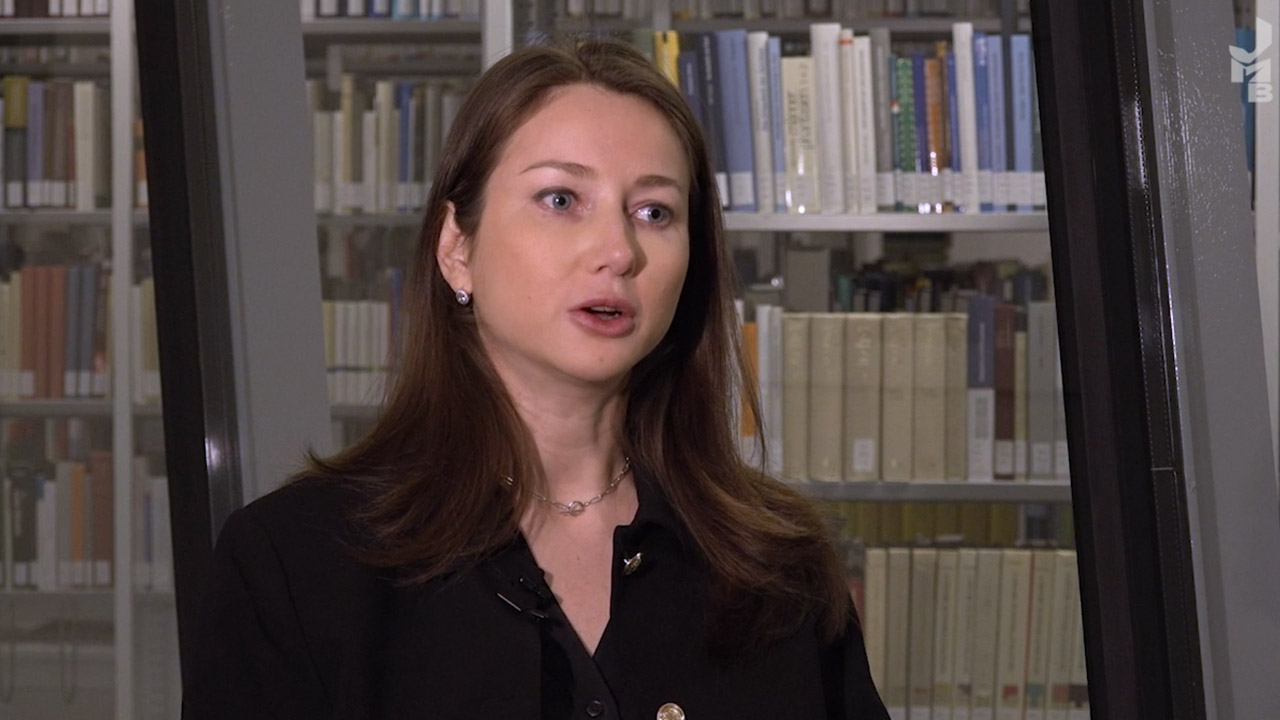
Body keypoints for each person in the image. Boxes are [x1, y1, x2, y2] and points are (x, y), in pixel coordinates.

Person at [182, 38, 888, 720]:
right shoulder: (294, 566)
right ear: (457, 249)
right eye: (560, 200)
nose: (618, 251)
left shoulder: (781, 569)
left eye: (654, 212)